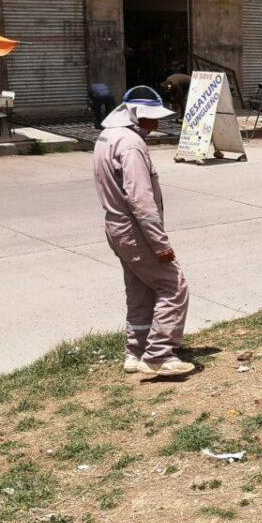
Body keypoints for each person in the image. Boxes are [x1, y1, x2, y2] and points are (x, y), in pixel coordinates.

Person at [92, 86, 194, 376]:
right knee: (173, 285)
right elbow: (141, 200)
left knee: (139, 290)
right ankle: (159, 354)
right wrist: (161, 245)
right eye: (151, 119)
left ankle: (136, 352)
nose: (156, 124)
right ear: (136, 116)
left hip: (117, 229)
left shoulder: (107, 137)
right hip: (136, 232)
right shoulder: (131, 145)